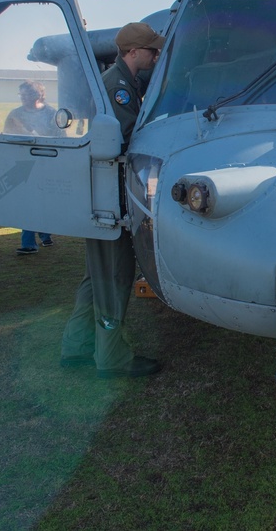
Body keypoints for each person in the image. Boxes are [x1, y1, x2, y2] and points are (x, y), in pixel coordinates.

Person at [60, 22, 164, 378]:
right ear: (133, 52)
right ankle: (112, 358)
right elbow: (131, 134)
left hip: (102, 195)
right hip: (111, 196)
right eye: (151, 50)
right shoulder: (117, 87)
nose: (156, 55)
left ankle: (76, 347)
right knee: (115, 278)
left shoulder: (122, 83)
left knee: (96, 276)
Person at [4, 80, 56, 254]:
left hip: (45, 163)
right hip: (23, 164)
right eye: (22, 95)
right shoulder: (15, 114)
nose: (24, 99)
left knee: (42, 201)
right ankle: (29, 243)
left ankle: (44, 233)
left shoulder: (50, 113)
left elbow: (60, 137)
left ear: (38, 95)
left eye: (27, 95)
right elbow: (7, 136)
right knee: (28, 201)